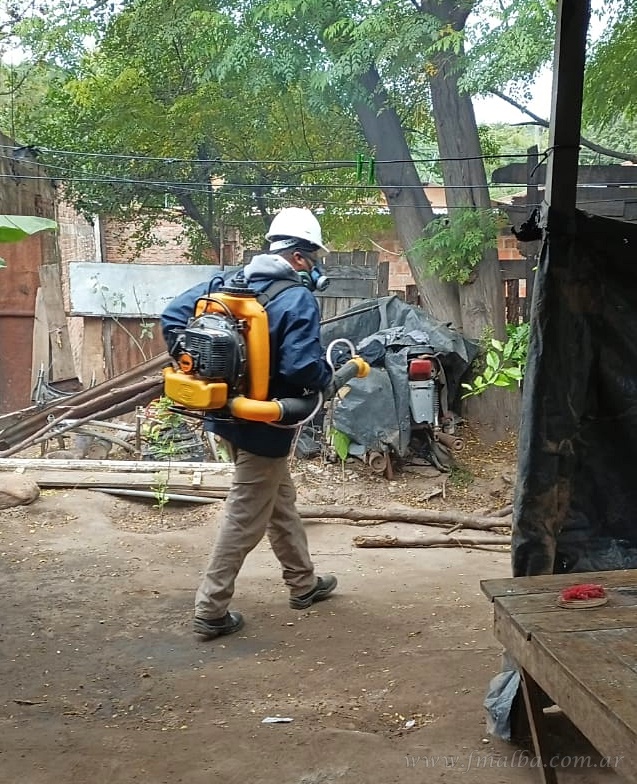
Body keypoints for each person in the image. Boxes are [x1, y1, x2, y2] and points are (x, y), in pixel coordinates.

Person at [161, 207, 337, 639]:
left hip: (224, 412)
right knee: (245, 515)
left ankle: (303, 583)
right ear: (298, 256)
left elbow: (172, 317)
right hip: (267, 422)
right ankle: (211, 609)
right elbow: (300, 367)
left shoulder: (225, 284)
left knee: (279, 499)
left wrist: (196, 368)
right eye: (313, 258)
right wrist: (327, 377)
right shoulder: (295, 298)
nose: (313, 267)